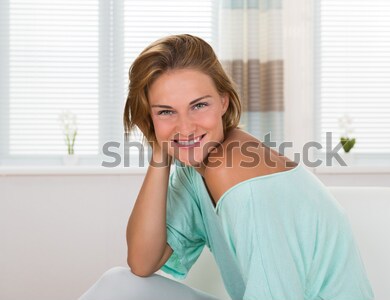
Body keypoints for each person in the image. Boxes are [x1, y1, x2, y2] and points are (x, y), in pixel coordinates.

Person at [80, 34, 374, 300]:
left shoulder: (234, 172)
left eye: (199, 105)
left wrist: (169, 132)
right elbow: (142, 262)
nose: (185, 127)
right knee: (117, 285)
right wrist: (161, 151)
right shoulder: (196, 166)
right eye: (166, 111)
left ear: (224, 101)